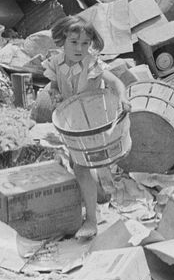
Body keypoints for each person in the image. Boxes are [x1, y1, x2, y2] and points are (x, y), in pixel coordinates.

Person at [34, 16, 130, 240]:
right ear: (62, 41)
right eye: (74, 42)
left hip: (94, 121)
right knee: (83, 163)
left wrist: (123, 98)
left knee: (83, 166)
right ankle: (98, 193)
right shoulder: (57, 62)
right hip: (74, 121)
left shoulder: (91, 64)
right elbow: (55, 83)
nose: (79, 48)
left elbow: (116, 83)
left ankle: (91, 220)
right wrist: (55, 93)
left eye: (85, 43)